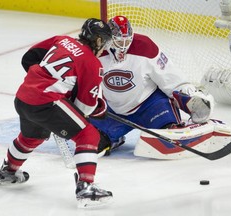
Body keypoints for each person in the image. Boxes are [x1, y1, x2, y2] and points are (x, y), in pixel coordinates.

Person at [0, 18, 113, 208]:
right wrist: (99, 108)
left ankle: (8, 171)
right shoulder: (92, 63)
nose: (104, 47)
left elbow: (29, 57)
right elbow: (84, 109)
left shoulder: (62, 40)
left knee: (31, 137)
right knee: (88, 134)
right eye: (104, 42)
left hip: (24, 96)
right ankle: (86, 188)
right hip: (46, 102)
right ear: (98, 40)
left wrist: (45, 81)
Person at [89, 15, 221, 157]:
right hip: (114, 110)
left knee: (169, 138)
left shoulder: (145, 46)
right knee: (92, 144)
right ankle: (114, 138)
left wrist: (189, 93)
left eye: (127, 40)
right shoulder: (97, 51)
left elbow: (169, 76)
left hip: (150, 106)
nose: (123, 46)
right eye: (119, 41)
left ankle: (171, 125)